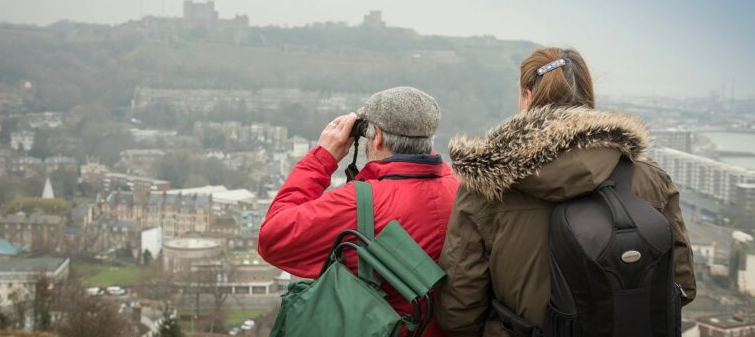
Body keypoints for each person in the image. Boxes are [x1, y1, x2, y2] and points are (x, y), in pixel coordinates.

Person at [435, 47, 696, 336]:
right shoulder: (651, 179)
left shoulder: (486, 188)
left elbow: (458, 311)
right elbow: (682, 284)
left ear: (528, 97)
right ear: (588, 99)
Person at [258, 86, 459, 336]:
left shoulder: (359, 202)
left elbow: (273, 239)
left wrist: (321, 159)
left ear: (378, 138)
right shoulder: (462, 190)